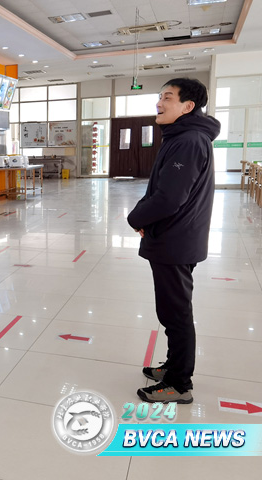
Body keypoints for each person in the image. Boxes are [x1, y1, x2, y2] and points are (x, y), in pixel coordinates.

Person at [127, 78, 220, 404]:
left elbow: (169, 198)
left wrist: (136, 218)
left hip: (175, 241)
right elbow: (164, 190)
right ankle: (173, 367)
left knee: (176, 313)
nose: (159, 103)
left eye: (167, 97)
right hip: (175, 237)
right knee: (171, 311)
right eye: (160, 97)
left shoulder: (189, 141)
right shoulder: (182, 136)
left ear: (187, 106)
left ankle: (179, 384)